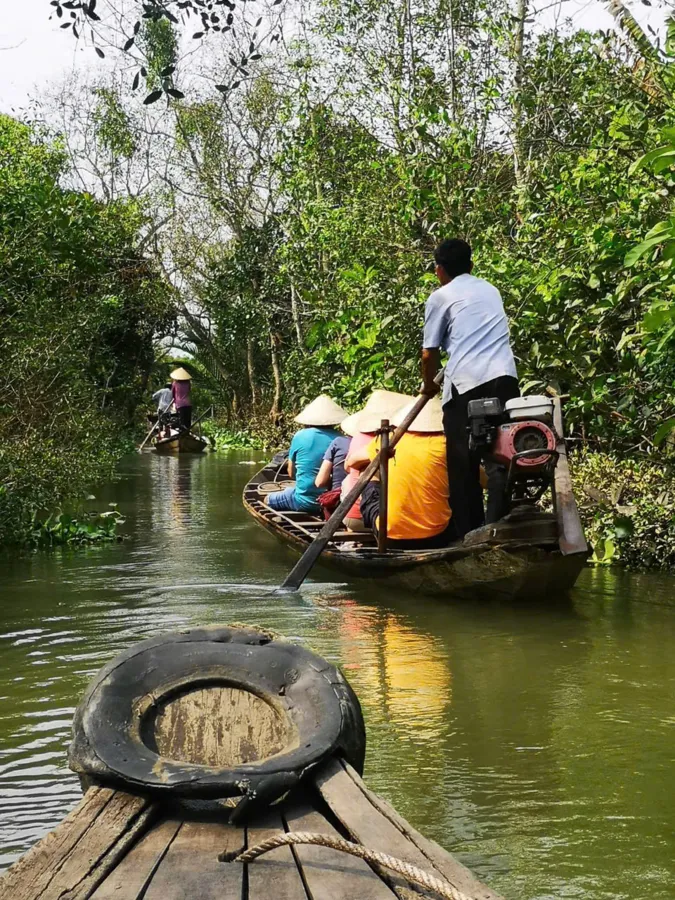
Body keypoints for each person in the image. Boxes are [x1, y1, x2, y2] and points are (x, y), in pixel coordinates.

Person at [422, 238, 519, 539]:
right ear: (471, 266)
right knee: (502, 457)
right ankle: (499, 527)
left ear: (439, 270)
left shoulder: (440, 297)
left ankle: (470, 536)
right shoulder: (490, 290)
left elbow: (429, 353)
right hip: (504, 380)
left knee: (462, 466)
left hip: (465, 384)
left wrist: (428, 387)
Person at [345, 396, 452, 549]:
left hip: (389, 535)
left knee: (366, 471)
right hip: (437, 535)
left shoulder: (390, 439)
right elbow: (484, 481)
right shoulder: (448, 444)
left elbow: (351, 463)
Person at [339, 390, 413, 533]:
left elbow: (348, 466)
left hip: (354, 517)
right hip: (375, 518)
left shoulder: (359, 436)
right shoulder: (388, 440)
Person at [265, 395, 347, 514]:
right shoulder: (341, 439)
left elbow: (291, 473)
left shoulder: (300, 435)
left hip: (304, 502)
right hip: (334, 502)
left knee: (267, 499)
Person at [170, 367, 193, 432]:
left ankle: (182, 436)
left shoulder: (175, 383)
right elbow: (189, 391)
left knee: (181, 423)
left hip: (180, 404)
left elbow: (173, 394)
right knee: (188, 423)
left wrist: (174, 402)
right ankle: (187, 435)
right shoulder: (188, 383)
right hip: (188, 404)